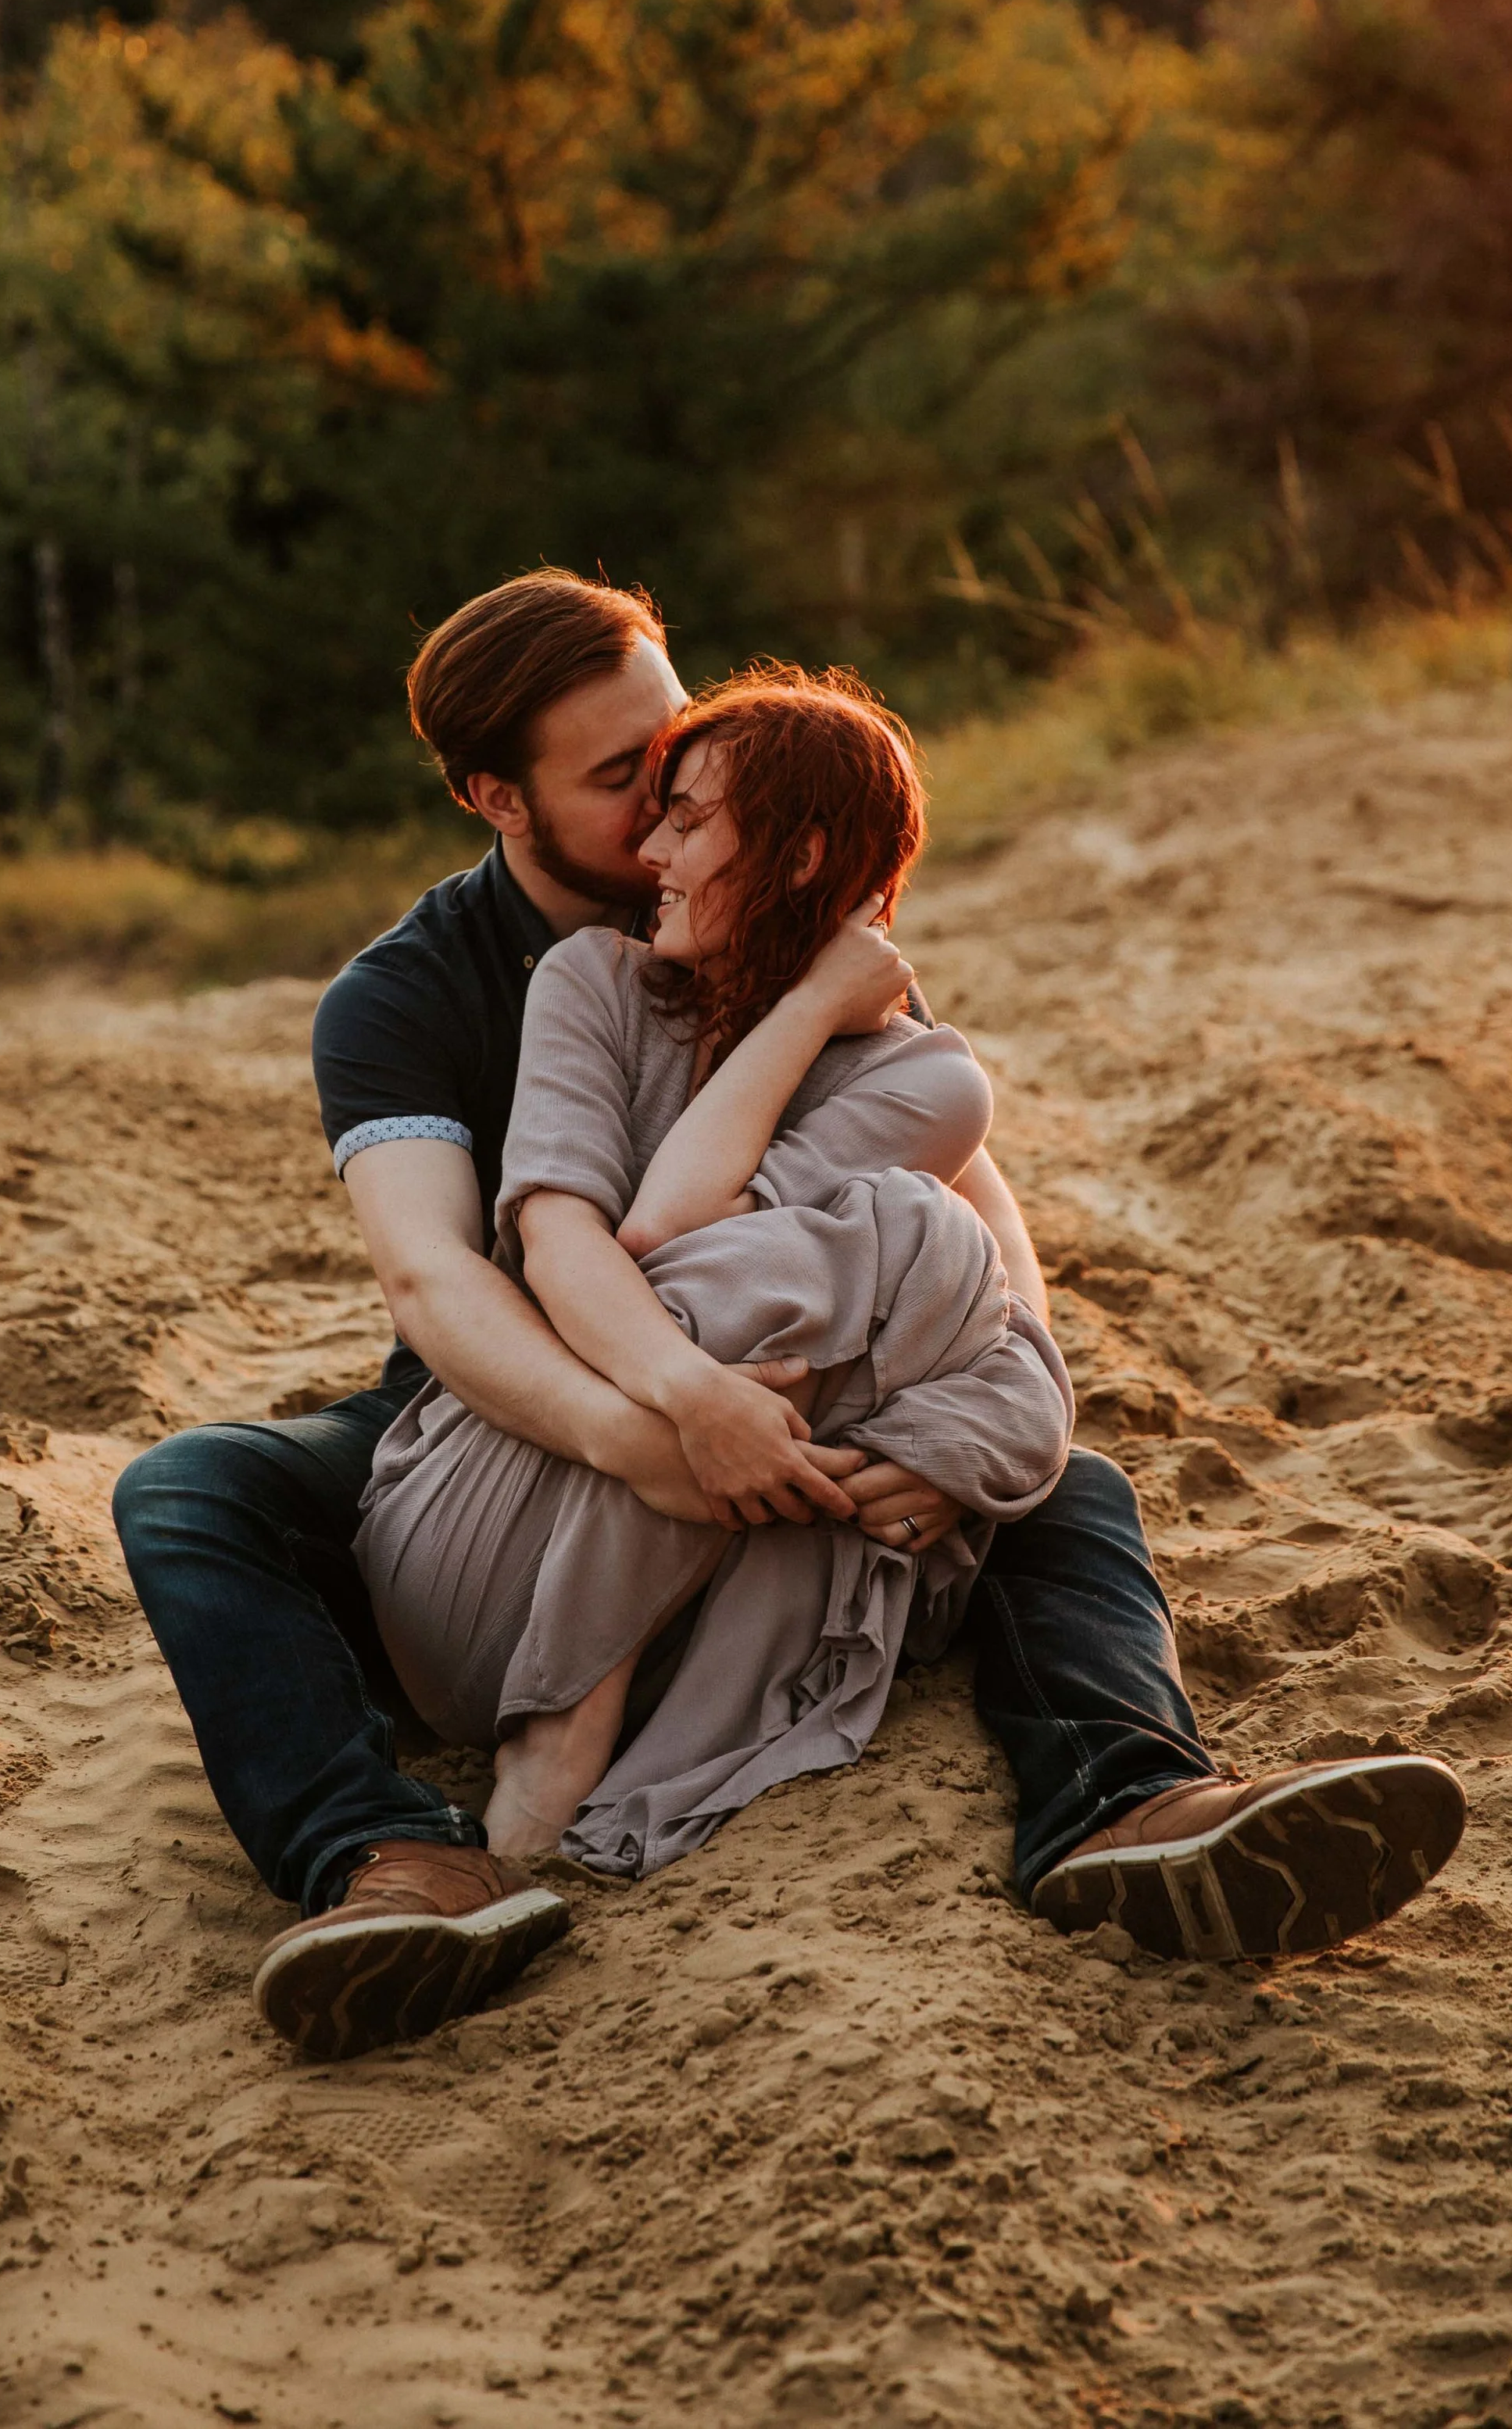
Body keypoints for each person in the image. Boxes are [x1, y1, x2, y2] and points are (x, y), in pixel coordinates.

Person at [114, 570, 1467, 2062]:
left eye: (675, 747)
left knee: (1068, 1485)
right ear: (494, 795)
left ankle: (1125, 1803)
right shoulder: (409, 995)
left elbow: (968, 1220)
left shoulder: (772, 914)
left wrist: (966, 1436)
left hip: (794, 1404)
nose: (666, 805)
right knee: (191, 1491)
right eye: (622, 778)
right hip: (511, 1404)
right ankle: (395, 1859)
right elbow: (443, 1282)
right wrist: (647, 1432)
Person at [352, 669, 1074, 1881]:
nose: (652, 843)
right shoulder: (591, 981)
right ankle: (563, 1722)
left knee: (936, 1253)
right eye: (651, 806)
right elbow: (630, 1237)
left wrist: (948, 1450)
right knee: (907, 1243)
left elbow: (1009, 1314)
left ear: (799, 860)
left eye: (687, 815)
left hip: (740, 1599)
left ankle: (615, 1718)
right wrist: (693, 1399)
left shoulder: (931, 1079)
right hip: (480, 1563)